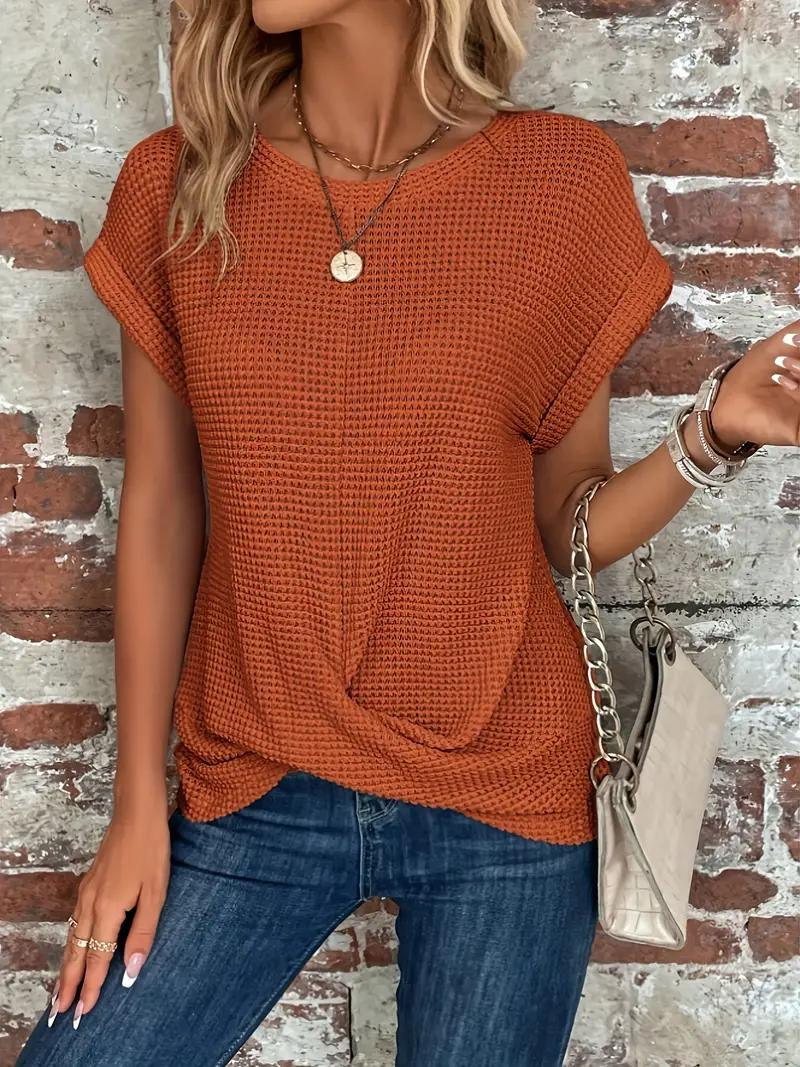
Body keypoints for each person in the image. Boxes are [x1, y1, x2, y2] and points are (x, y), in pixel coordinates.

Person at [14, 2, 799, 1065]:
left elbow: (564, 522)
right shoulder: (180, 184)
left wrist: (711, 433)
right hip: (255, 777)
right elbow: (159, 512)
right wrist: (133, 809)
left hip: (505, 795)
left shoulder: (558, 185)